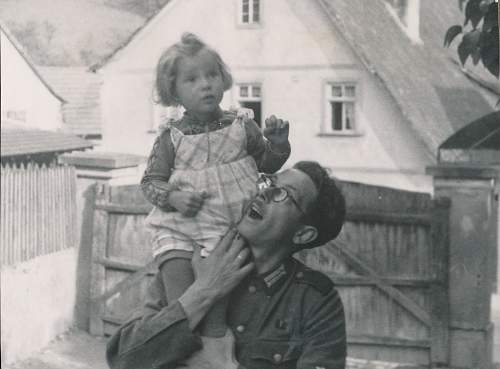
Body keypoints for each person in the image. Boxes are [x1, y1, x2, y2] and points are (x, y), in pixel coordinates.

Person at [107, 161, 347, 369]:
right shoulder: (191, 263)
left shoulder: (315, 299)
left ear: (303, 235)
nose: (264, 193)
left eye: (283, 193)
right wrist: (203, 291)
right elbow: (122, 359)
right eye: (268, 182)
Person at [141, 33, 291, 340]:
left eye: (211, 75)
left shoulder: (241, 124)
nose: (206, 84)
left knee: (217, 312)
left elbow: (265, 164)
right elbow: (150, 182)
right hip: (180, 225)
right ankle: (176, 350)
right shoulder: (171, 137)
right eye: (192, 79)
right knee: (181, 303)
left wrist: (278, 145)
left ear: (223, 79)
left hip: (228, 230)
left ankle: (213, 354)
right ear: (174, 91)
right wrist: (175, 197)